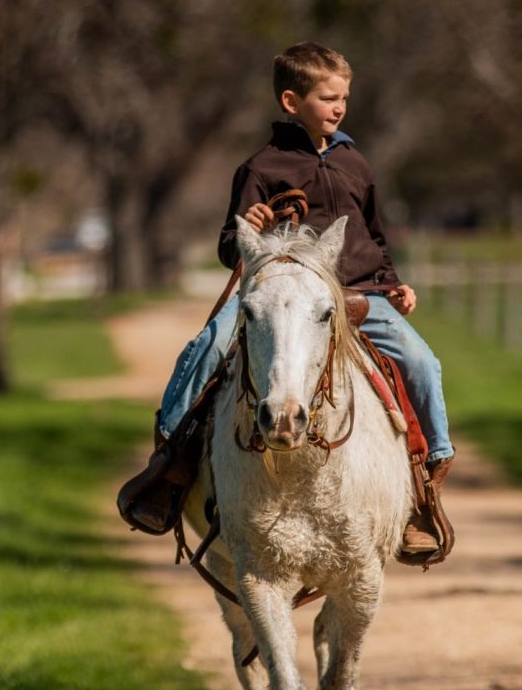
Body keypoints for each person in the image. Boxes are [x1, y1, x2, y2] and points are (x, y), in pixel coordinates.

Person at [118, 41, 454, 565]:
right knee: (209, 343)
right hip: (279, 294)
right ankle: (168, 465)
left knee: (420, 362)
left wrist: (394, 285)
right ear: (292, 101)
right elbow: (231, 250)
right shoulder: (261, 167)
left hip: (358, 294)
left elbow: (375, 239)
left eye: (343, 97)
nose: (339, 107)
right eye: (327, 98)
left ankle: (423, 488)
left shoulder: (355, 163)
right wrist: (246, 228)